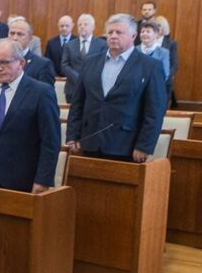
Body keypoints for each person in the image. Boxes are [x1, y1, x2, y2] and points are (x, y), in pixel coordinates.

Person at [66, 14, 166, 163]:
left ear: (133, 35)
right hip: (89, 142)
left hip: (125, 146)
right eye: (110, 32)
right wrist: (73, 136)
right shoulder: (90, 62)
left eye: (119, 32)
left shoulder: (150, 66)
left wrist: (144, 146)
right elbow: (78, 103)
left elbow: (154, 111)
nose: (113, 36)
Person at [0, 40, 60, 193]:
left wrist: (43, 180)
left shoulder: (41, 92)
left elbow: (51, 142)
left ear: (21, 62)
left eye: (4, 62)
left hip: (25, 181)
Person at [61, 13, 106, 102]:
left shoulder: (102, 44)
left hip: (93, 89)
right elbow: (64, 65)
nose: (82, 27)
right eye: (80, 25)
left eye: (85, 24)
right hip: (72, 89)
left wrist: (88, 79)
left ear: (93, 27)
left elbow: (103, 64)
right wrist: (78, 78)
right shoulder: (69, 45)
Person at [8, 18, 56, 85]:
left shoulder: (42, 64)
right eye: (12, 33)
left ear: (30, 38)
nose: (15, 38)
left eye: (20, 34)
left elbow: (46, 93)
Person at [153, 15, 179, 105]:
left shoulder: (171, 43)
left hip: (164, 82)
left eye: (159, 25)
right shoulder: (146, 42)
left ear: (164, 27)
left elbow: (174, 64)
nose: (157, 27)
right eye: (155, 25)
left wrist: (165, 76)